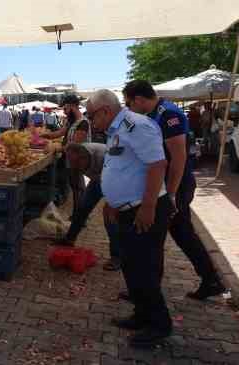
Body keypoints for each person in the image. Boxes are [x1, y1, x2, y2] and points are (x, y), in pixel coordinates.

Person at [123, 80, 226, 301]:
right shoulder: (153, 115)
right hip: (168, 184)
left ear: (139, 99)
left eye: (129, 103)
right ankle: (211, 280)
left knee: (154, 237)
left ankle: (147, 292)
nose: (129, 108)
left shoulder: (169, 114)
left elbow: (178, 158)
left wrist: (170, 194)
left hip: (175, 184)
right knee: (183, 234)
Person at [88, 89, 173, 347]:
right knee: (131, 267)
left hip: (144, 210)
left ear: (105, 110)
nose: (91, 121)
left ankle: (159, 325)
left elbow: (157, 165)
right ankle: (141, 314)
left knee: (144, 269)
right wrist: (112, 202)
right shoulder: (116, 130)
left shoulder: (136, 125)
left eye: (92, 116)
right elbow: (119, 166)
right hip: (126, 210)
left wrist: (147, 207)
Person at [49, 142, 121, 270]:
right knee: (82, 209)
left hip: (114, 181)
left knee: (110, 220)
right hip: (97, 181)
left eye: (75, 162)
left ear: (83, 157)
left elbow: (117, 176)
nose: (73, 165)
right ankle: (69, 239)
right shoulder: (75, 155)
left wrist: (111, 203)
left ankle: (117, 257)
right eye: (70, 162)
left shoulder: (104, 155)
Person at [42, 94, 90, 215]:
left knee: (78, 188)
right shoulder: (71, 122)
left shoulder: (83, 123)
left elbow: (76, 145)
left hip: (78, 161)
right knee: (74, 187)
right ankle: (77, 214)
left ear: (73, 107)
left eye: (65, 109)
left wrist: (58, 148)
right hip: (70, 160)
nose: (64, 111)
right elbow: (59, 133)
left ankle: (79, 216)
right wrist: (43, 135)